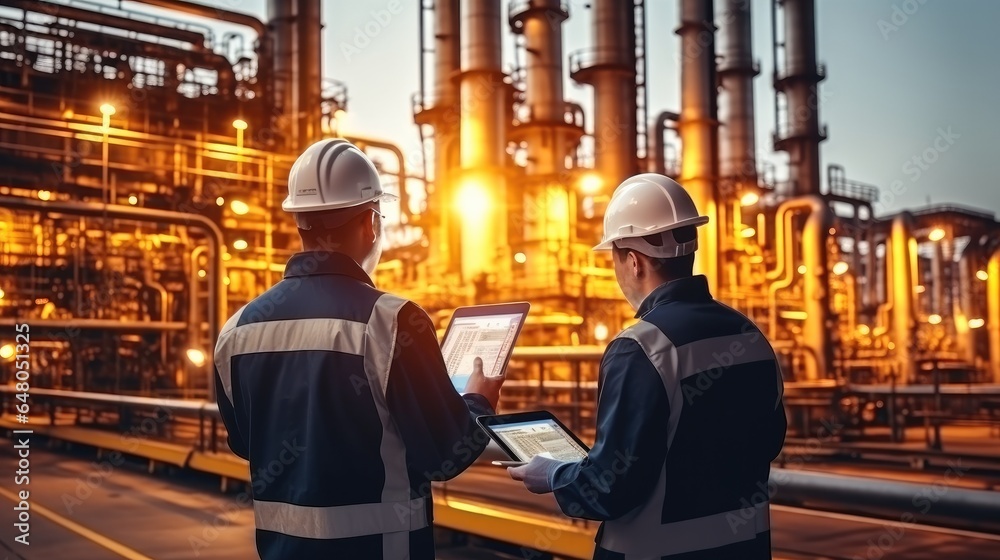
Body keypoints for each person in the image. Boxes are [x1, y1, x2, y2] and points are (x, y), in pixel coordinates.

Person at [214, 138, 505, 559]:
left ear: (298, 221)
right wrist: (478, 399)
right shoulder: (392, 320)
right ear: (371, 222)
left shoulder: (236, 330)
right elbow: (444, 455)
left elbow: (246, 442)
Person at [508, 173, 786, 559]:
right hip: (746, 547)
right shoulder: (751, 336)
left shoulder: (640, 346)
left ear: (635, 262)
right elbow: (768, 443)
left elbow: (610, 488)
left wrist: (553, 475)